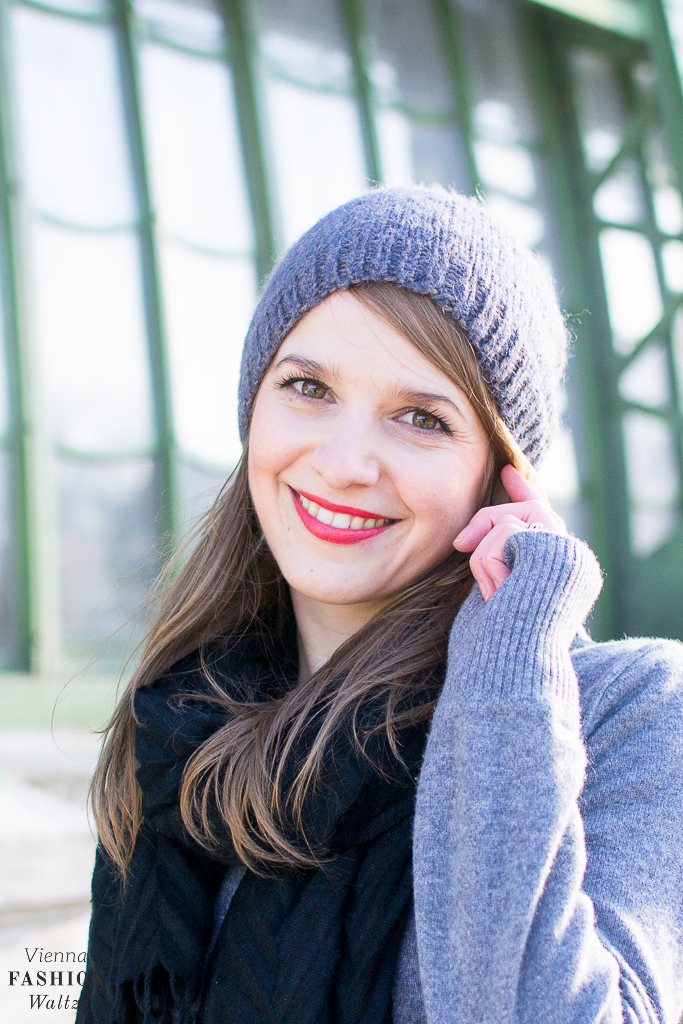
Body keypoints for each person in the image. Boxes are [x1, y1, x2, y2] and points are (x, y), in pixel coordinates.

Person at [77, 186, 683, 1024]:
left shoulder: (629, 712)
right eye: (307, 387)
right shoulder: (180, 731)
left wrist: (509, 663)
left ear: (500, 473)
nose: (344, 463)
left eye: (421, 418)